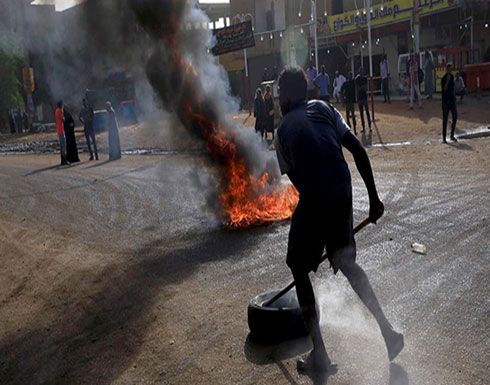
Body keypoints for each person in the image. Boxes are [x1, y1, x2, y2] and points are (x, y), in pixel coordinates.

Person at [274, 67, 404, 374]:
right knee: (347, 263)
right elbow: (357, 149)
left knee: (297, 264)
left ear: (288, 95)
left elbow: (301, 183)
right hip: (342, 190)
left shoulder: (282, 131)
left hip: (318, 195)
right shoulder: (324, 108)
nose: (278, 99)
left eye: (280, 93)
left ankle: (319, 353)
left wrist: (313, 239)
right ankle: (388, 331)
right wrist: (372, 199)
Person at [441, 64, 458, 143]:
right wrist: (447, 81)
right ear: (446, 70)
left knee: (455, 116)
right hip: (445, 102)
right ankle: (444, 137)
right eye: (449, 69)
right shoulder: (444, 79)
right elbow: (444, 89)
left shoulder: (452, 77)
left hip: (452, 101)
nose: (450, 71)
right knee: (445, 120)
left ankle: (452, 135)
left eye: (451, 69)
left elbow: (453, 89)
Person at [355, 68, 371, 132]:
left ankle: (369, 126)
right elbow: (357, 88)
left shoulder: (365, 79)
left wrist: (361, 88)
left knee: (367, 112)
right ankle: (363, 126)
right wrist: (362, 88)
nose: (362, 73)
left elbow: (365, 87)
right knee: (361, 113)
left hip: (364, 97)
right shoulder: (357, 79)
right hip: (360, 97)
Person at [55, 101, 69, 165]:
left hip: (60, 130)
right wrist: (63, 112)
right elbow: (63, 119)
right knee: (63, 145)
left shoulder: (57, 111)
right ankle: (64, 160)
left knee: (62, 145)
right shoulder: (59, 111)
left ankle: (63, 160)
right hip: (61, 130)